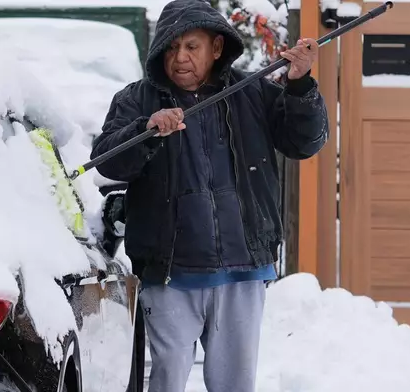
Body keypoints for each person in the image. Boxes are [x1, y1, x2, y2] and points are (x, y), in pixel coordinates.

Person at [90, 0, 329, 391]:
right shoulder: (137, 100)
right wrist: (145, 131)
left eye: (191, 46)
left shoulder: (253, 92)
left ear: (216, 48)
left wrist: (301, 84)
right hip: (170, 272)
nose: (179, 58)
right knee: (167, 378)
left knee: (235, 383)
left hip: (243, 269)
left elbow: (304, 142)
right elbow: (108, 161)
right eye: (170, 48)